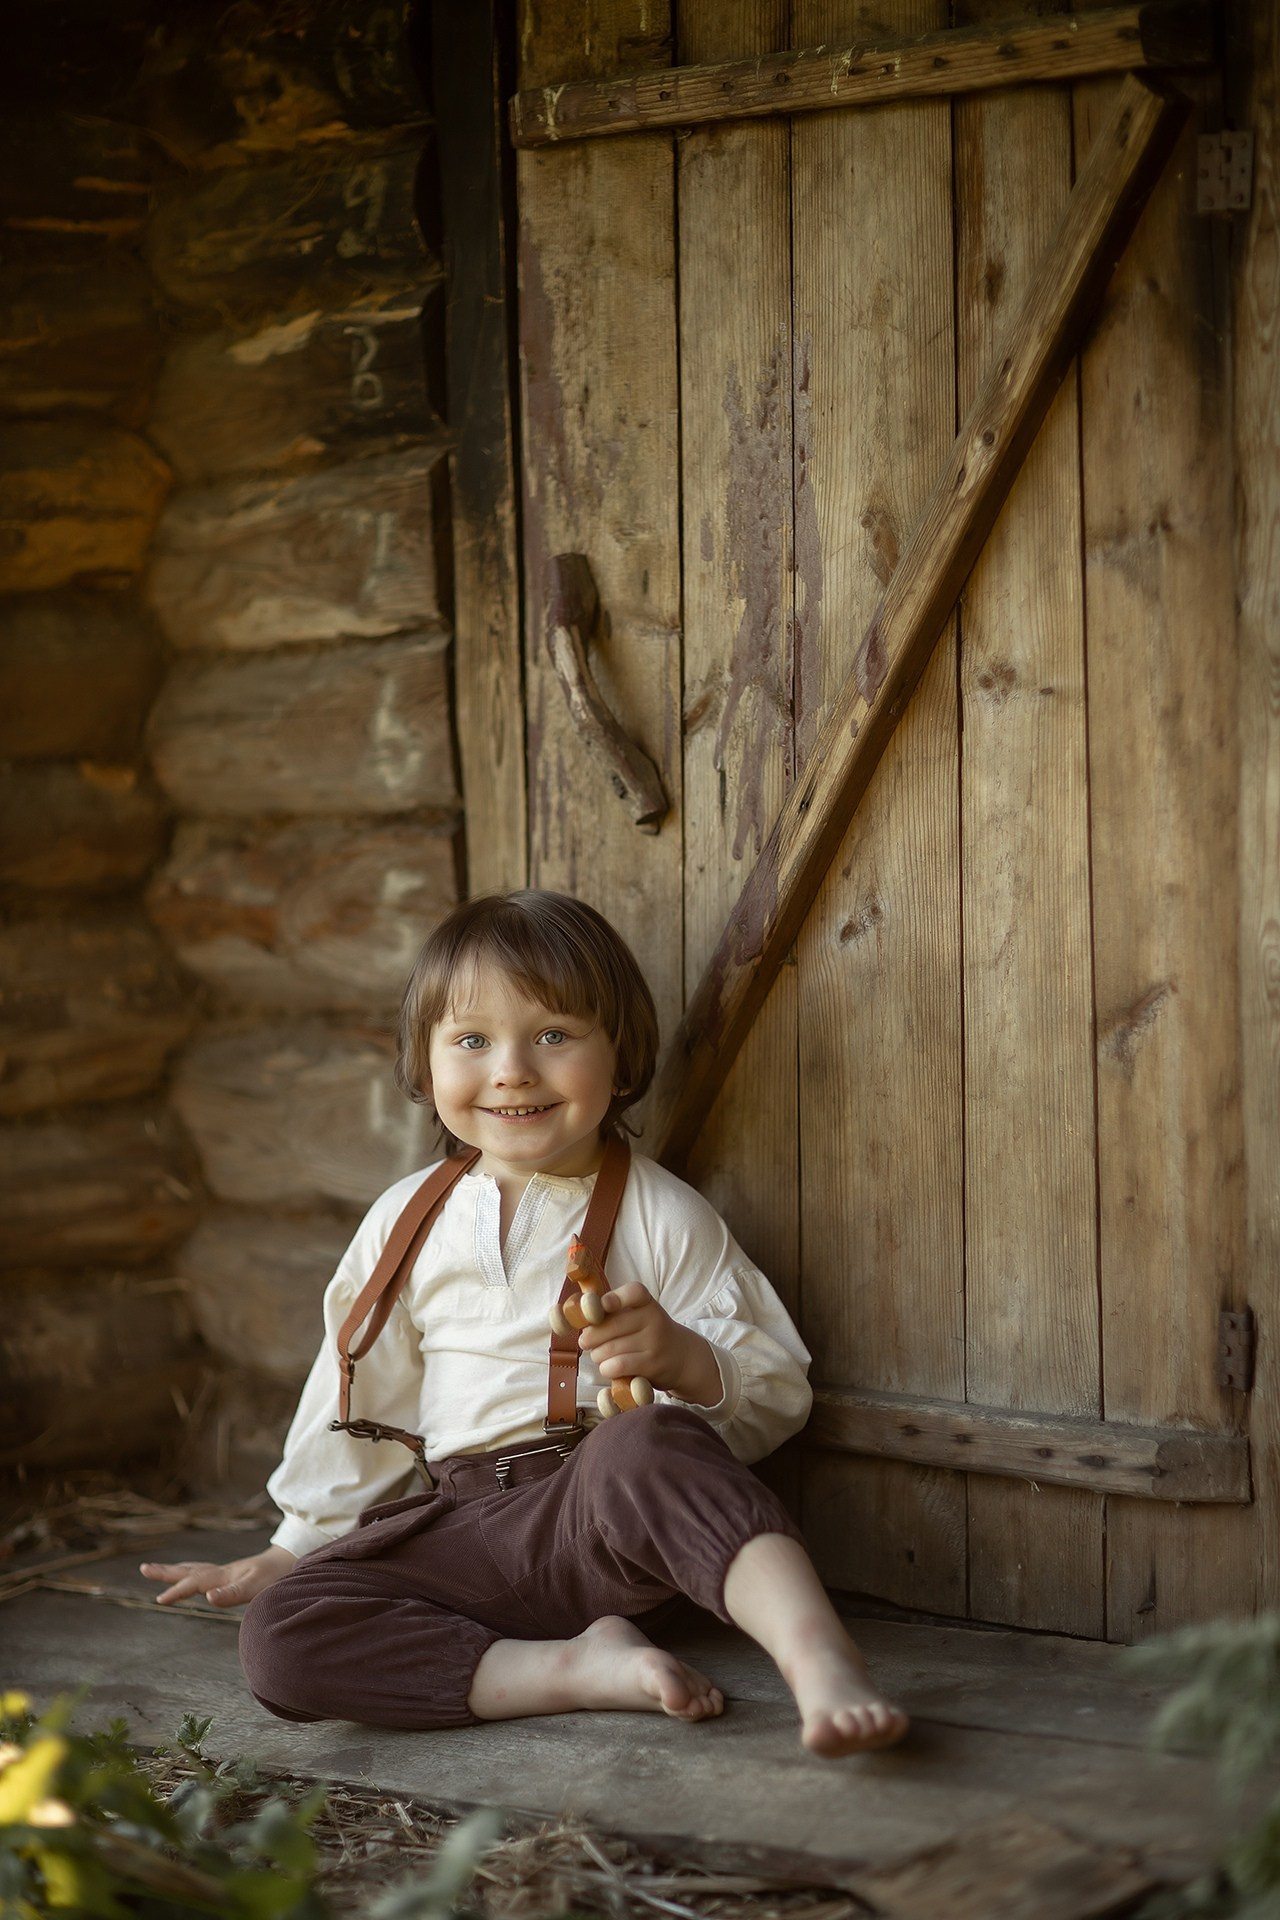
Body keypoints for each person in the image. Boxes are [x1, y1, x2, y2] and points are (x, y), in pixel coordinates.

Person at [142, 891, 908, 1757]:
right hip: (463, 1533)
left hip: (596, 1518)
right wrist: (292, 1549)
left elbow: (777, 1388)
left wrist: (688, 1361)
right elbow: (356, 1384)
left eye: (553, 1035)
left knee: (647, 1442)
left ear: (620, 1060)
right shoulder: (404, 1220)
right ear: (425, 1067)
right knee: (282, 1636)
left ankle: (819, 1658)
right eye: (471, 1041)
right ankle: (575, 1670)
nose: (511, 1069)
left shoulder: (663, 1215)